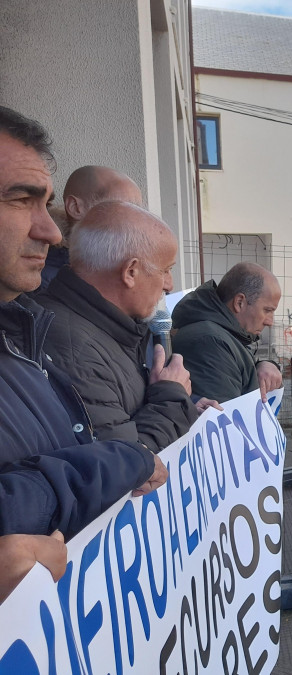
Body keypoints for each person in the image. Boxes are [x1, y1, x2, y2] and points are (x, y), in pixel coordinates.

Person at [0, 106, 167, 542]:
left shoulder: (25, 334)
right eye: (21, 199)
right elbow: (111, 451)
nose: (52, 232)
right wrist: (127, 458)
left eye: (46, 203)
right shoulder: (56, 333)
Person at [38, 201, 199, 453]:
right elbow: (126, 462)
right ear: (131, 272)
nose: (169, 284)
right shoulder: (75, 352)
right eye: (166, 270)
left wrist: (191, 406)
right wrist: (172, 398)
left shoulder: (113, 327)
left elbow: (127, 405)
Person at [172, 262, 283, 402]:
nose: (270, 322)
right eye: (267, 310)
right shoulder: (211, 341)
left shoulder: (225, 335)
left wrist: (264, 365)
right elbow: (228, 417)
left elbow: (238, 372)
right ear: (239, 302)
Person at [39, 165, 143, 290]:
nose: (136, 222)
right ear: (75, 207)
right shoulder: (46, 282)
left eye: (138, 212)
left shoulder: (126, 267)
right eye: (120, 208)